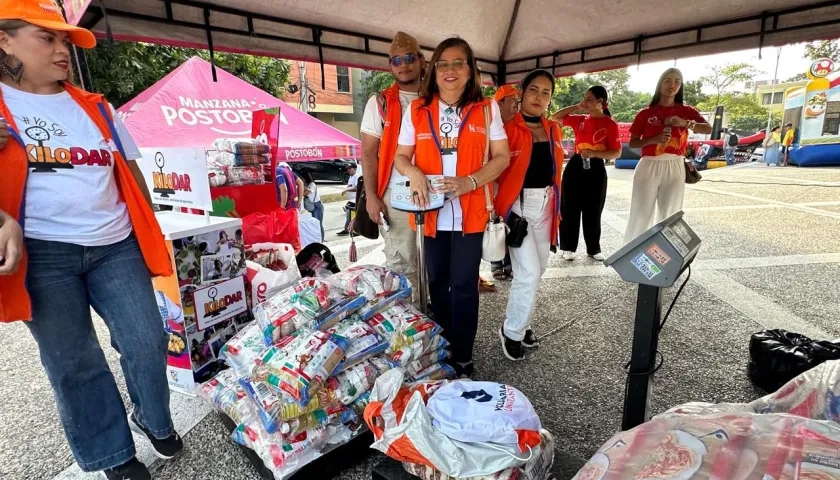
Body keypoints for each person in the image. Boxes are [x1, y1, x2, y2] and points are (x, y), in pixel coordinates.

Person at [0, 4, 182, 479]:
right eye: (48, 39)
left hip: (116, 244)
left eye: (66, 42)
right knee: (75, 362)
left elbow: (133, 172)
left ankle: (151, 416)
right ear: (4, 41)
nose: (64, 51)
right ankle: (113, 456)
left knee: (146, 340)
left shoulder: (97, 106)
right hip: (42, 255)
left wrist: (153, 234)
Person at [393, 36, 511, 378]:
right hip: (430, 213)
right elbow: (401, 157)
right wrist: (413, 171)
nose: (450, 70)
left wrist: (470, 181)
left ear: (470, 69)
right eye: (443, 63)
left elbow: (502, 157)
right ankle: (441, 349)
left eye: (458, 63)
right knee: (436, 283)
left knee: (463, 285)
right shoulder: (417, 109)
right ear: (434, 70)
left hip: (471, 213)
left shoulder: (486, 109)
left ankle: (462, 356)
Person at [495, 70, 564, 360]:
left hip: (547, 205)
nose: (539, 97)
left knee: (539, 270)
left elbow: (555, 173)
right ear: (521, 93)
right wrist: (502, 212)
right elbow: (495, 174)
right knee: (529, 272)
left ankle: (522, 324)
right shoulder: (507, 127)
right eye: (533, 90)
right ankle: (512, 331)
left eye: (546, 92)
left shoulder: (553, 129)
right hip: (518, 208)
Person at [360, 31, 425, 291]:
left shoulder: (438, 98)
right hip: (395, 194)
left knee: (434, 261)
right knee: (402, 264)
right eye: (396, 60)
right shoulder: (380, 102)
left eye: (409, 58)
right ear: (390, 66)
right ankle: (409, 324)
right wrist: (372, 197)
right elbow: (367, 153)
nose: (404, 64)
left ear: (421, 60)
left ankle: (429, 315)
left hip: (435, 189)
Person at [624, 68, 712, 244]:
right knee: (641, 213)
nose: (672, 85)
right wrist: (653, 139)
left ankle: (665, 254)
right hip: (648, 165)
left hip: (675, 165)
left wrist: (685, 123)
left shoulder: (687, 111)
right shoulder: (645, 113)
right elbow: (633, 143)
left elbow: (708, 128)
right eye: (667, 80)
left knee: (670, 214)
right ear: (660, 83)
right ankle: (631, 255)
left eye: (677, 81)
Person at [551, 86, 622, 262]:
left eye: (589, 99)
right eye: (585, 98)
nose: (585, 102)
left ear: (601, 103)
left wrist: (595, 153)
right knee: (570, 208)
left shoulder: (610, 124)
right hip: (575, 165)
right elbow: (554, 117)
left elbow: (616, 153)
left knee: (593, 208)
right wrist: (577, 106)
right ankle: (568, 247)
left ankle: (593, 248)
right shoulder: (580, 119)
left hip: (596, 166)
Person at [490, 84, 519, 280]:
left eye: (518, 100)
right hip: (492, 184)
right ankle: (496, 262)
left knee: (511, 223)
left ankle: (510, 262)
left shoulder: (521, 126)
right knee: (494, 223)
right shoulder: (490, 123)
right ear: (499, 104)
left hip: (514, 185)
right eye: (512, 101)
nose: (517, 105)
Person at [300, 169, 324, 241]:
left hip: (317, 205)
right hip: (310, 206)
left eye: (302, 178)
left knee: (318, 224)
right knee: (313, 224)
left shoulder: (312, 185)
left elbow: (305, 193)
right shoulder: (305, 185)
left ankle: (321, 239)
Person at [337, 163, 359, 236]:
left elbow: (356, 188)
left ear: (355, 169)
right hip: (352, 199)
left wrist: (346, 190)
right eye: (347, 169)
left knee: (353, 215)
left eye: (350, 168)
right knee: (349, 215)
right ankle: (348, 229)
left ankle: (353, 230)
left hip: (356, 199)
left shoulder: (356, 176)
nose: (348, 170)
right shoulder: (351, 177)